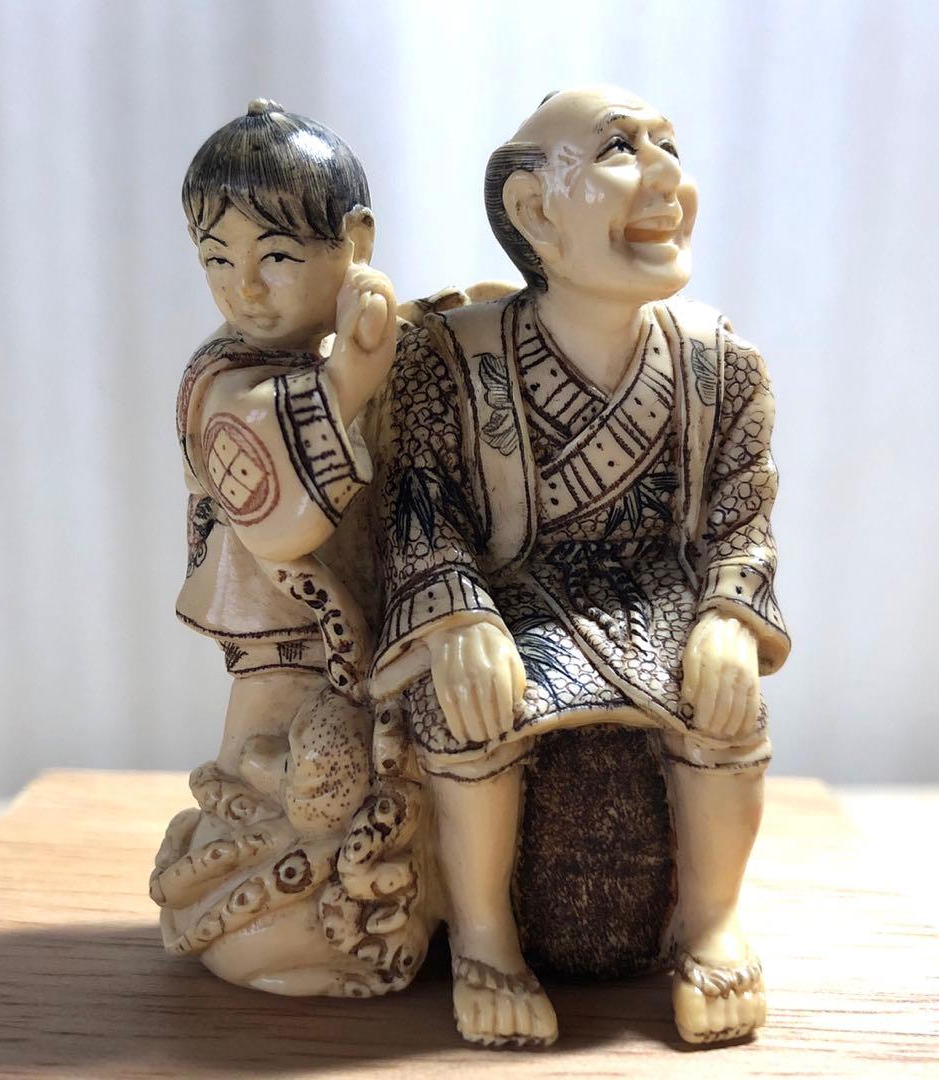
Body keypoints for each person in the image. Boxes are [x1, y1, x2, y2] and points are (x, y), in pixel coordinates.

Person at [371, 85, 790, 1047]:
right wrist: (459, 620)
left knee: (725, 703)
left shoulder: (724, 367)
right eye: (620, 150)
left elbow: (744, 520)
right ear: (534, 212)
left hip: (661, 599)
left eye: (669, 145)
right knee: (470, 702)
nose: (668, 176)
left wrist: (731, 617)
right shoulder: (450, 357)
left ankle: (712, 927)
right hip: (513, 599)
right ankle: (486, 939)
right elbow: (420, 510)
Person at [151, 99, 422, 995]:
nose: (245, 289)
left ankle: (362, 890)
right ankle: (266, 904)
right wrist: (344, 385)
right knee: (265, 748)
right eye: (216, 260)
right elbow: (276, 507)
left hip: (373, 618)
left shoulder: (356, 345)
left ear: (355, 244)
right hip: (274, 617)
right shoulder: (224, 377)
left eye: (275, 257)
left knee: (370, 762)